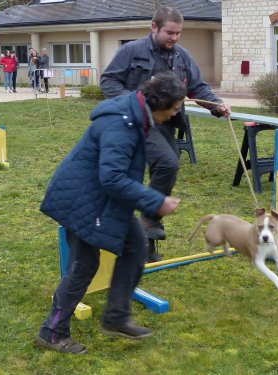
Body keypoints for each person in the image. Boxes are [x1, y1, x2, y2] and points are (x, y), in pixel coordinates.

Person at [34, 72, 186, 354]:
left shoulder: (136, 113)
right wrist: (155, 201)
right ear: (159, 103)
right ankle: (52, 332)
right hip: (84, 199)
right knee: (84, 265)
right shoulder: (121, 123)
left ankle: (116, 317)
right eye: (175, 108)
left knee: (136, 245)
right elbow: (113, 178)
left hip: (103, 199)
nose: (176, 114)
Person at [100, 6, 231, 261]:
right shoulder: (131, 51)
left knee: (169, 166)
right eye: (169, 33)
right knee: (167, 163)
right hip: (135, 122)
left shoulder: (182, 57)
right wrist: (135, 102)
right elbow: (108, 82)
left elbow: (198, 88)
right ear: (154, 27)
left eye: (178, 33)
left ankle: (145, 241)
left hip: (166, 123)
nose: (174, 38)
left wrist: (216, 105)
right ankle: (149, 217)